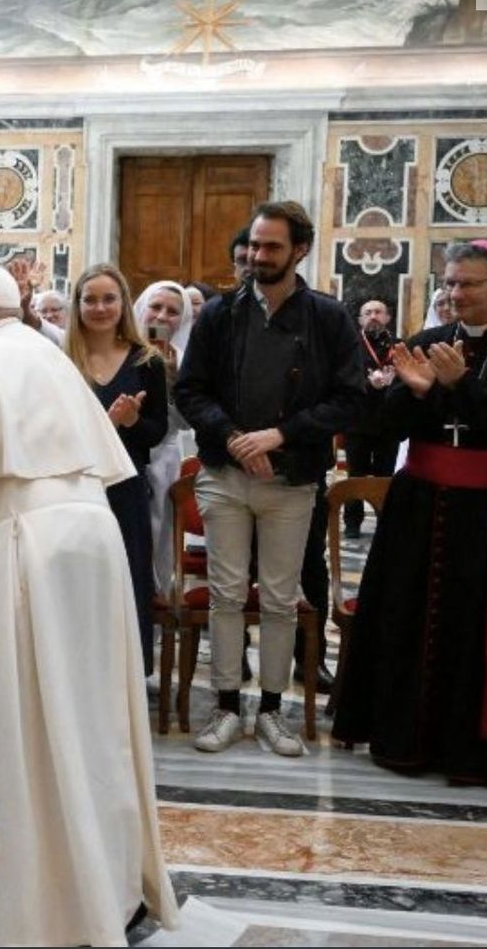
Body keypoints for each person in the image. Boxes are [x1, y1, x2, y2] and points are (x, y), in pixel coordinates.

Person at [0, 263, 178, 946]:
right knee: (88, 717)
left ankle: (32, 897)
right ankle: (100, 882)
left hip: (21, 551)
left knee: (13, 723)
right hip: (93, 541)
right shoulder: (51, 359)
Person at [333, 240, 487, 786]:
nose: (454, 295)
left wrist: (461, 386)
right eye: (449, 283)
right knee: (406, 616)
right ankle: (402, 741)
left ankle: (471, 753)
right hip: (419, 506)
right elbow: (383, 428)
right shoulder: (429, 342)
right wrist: (413, 393)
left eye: (468, 284)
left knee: (475, 628)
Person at [174, 201, 363, 757]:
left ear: (299, 250)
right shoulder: (220, 313)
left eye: (271, 247)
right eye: (254, 246)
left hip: (292, 478)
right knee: (227, 595)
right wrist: (235, 437)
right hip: (224, 474)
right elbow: (190, 390)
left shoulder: (327, 317)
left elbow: (349, 398)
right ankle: (228, 705)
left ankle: (274, 711)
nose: (258, 256)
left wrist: (279, 437)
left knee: (281, 599)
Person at [67, 265, 168, 675]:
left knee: (127, 579)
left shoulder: (148, 360)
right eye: (90, 299)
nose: (100, 307)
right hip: (75, 489)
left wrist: (128, 423)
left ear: (123, 304)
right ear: (78, 305)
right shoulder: (63, 360)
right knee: (79, 584)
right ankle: (77, 672)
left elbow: (156, 431)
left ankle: (125, 675)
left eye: (109, 298)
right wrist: (104, 423)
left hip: (125, 488)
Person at [132, 280, 196, 601]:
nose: (162, 316)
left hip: (165, 456)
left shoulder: (185, 358)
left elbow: (187, 424)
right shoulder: (121, 350)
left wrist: (172, 381)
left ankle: (155, 613)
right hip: (125, 452)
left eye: (173, 311)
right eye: (156, 307)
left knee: (159, 538)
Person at [343, 299, 400, 538]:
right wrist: (369, 383)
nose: (373, 316)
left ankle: (384, 521)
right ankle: (353, 523)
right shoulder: (349, 346)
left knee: (385, 475)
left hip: (388, 421)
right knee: (355, 473)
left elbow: (411, 380)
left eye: (378, 312)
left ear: (388, 317)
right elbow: (343, 379)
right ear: (360, 320)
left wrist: (393, 382)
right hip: (358, 420)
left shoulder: (399, 346)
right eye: (367, 313)